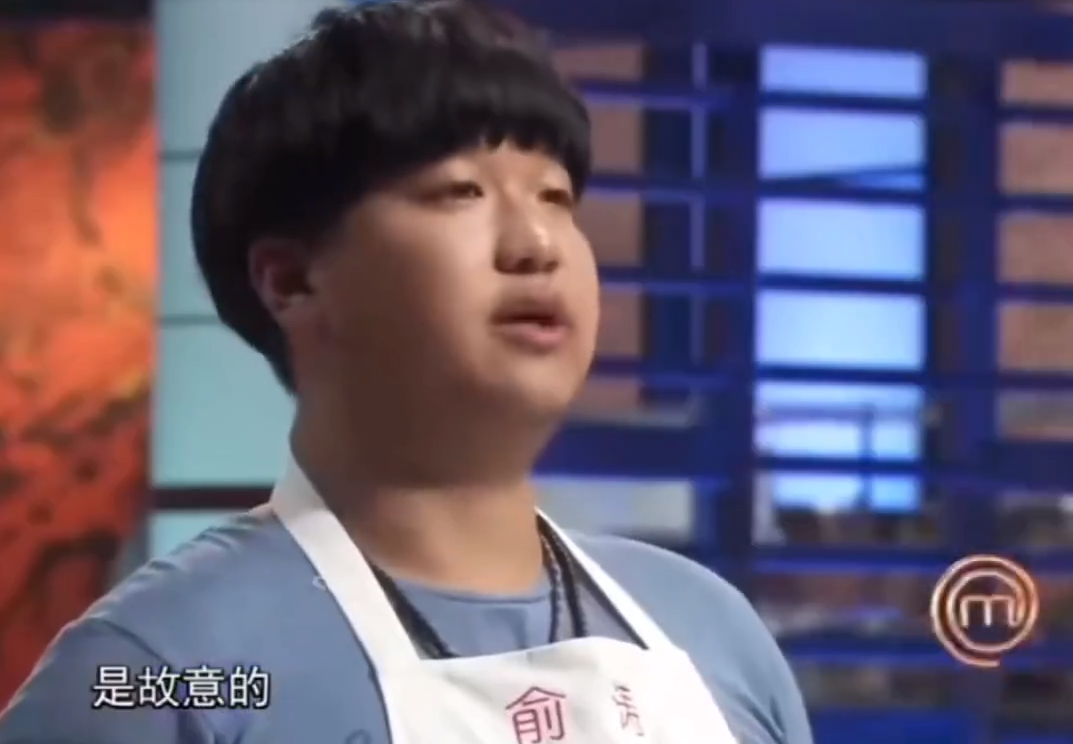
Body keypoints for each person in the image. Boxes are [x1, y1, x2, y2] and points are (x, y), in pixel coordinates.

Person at [0, 2, 812, 742]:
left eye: (555, 196)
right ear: (292, 281)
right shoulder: (157, 671)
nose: (536, 244)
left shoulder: (709, 630)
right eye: (460, 192)